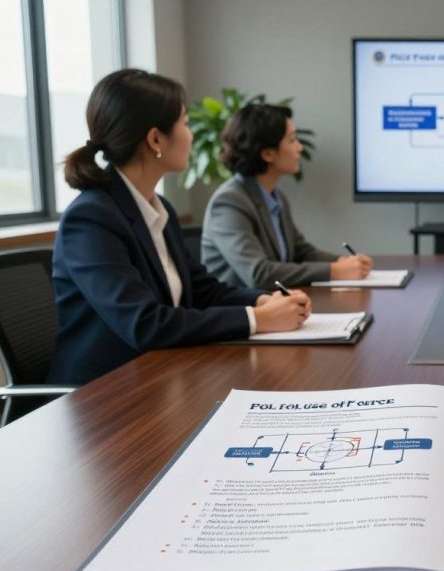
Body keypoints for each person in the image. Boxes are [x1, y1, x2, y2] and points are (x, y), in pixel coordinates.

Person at [48, 69, 311, 386]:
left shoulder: (158, 208)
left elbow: (203, 290)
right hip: (104, 393)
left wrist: (262, 300)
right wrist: (256, 320)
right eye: (185, 123)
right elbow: (143, 324)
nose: (191, 135)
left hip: (161, 373)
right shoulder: (91, 218)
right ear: (156, 138)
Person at [201, 103, 372, 289]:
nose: (299, 148)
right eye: (292, 141)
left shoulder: (275, 196)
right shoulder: (229, 202)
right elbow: (259, 274)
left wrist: (344, 261)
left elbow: (301, 252)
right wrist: (334, 270)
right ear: (267, 154)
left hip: (275, 305)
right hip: (240, 312)